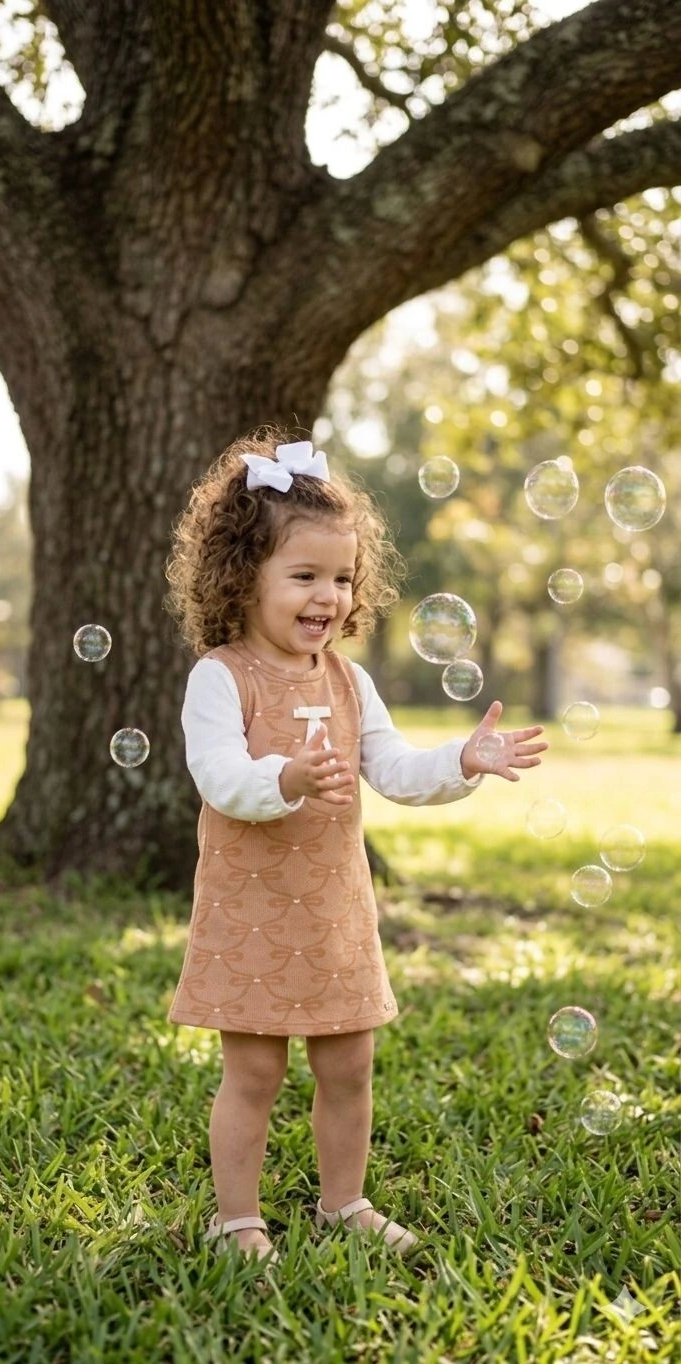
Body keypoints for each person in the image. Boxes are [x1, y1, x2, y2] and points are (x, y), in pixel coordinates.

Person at [163, 427, 547, 1270]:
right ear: (241, 577)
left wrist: (462, 761)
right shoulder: (218, 677)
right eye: (303, 576)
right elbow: (221, 777)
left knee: (350, 1067)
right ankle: (237, 1219)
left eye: (341, 578)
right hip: (253, 909)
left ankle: (346, 1202)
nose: (327, 597)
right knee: (254, 1075)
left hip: (334, 908)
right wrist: (288, 778)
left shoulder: (349, 679)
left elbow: (398, 769)